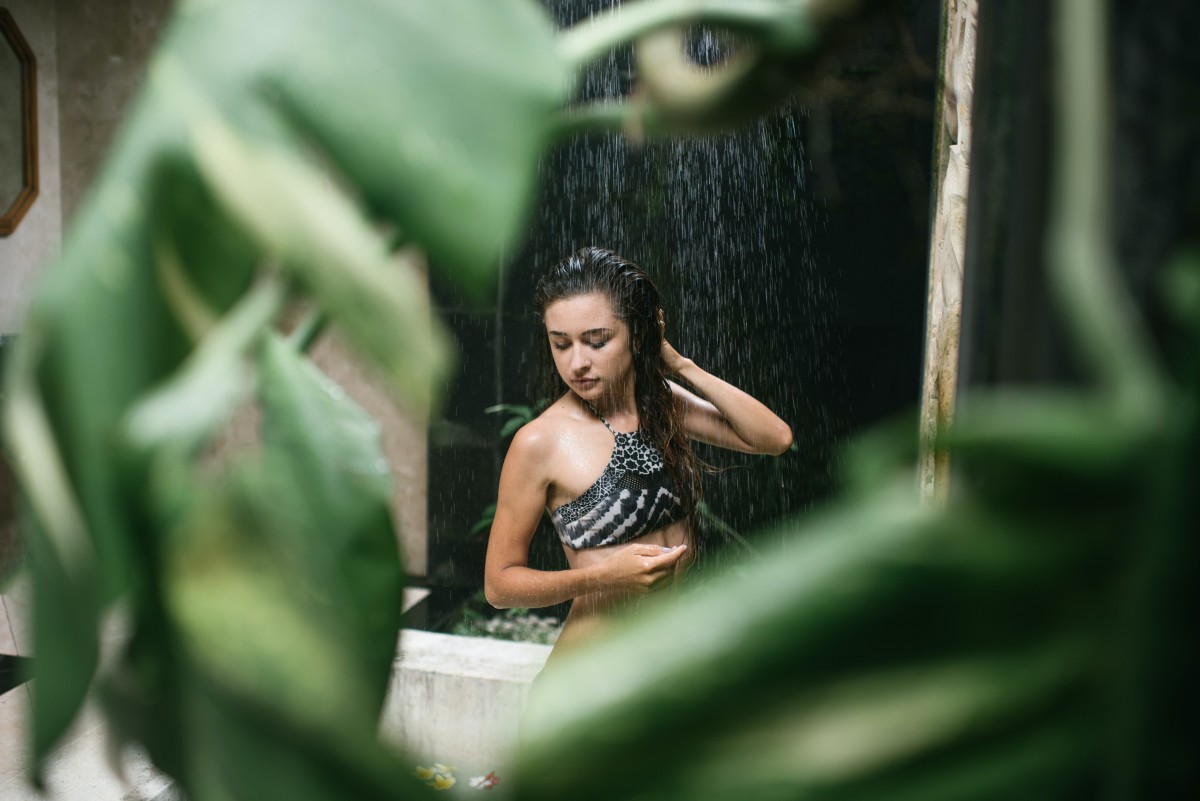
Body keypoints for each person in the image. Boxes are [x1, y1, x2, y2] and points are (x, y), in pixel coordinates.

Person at [483, 247, 793, 660]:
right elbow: (499, 586)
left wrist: (681, 366)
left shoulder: (660, 403)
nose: (577, 363)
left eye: (596, 341)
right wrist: (603, 576)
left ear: (638, 335)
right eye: (561, 344)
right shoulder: (540, 442)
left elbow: (774, 439)